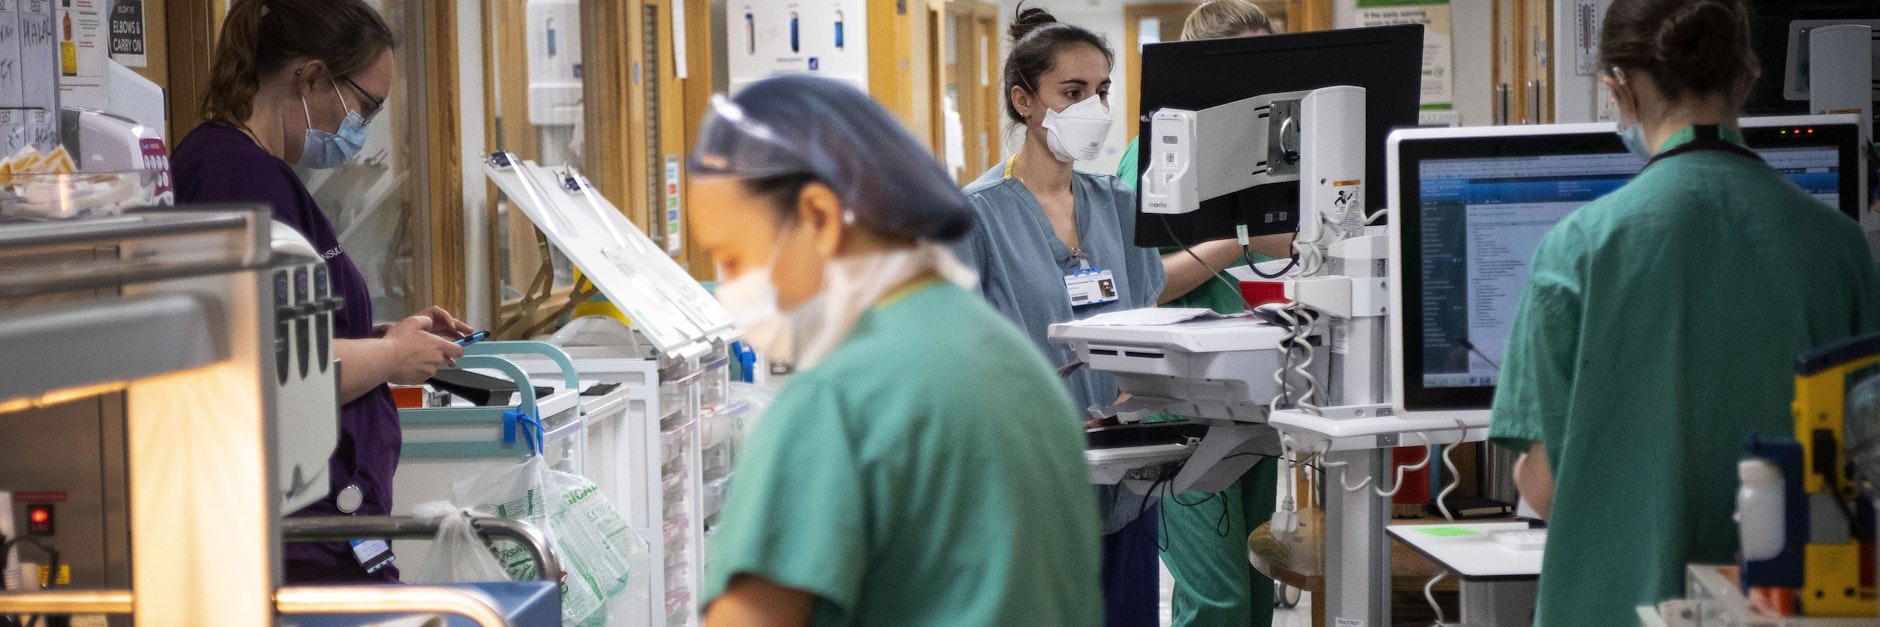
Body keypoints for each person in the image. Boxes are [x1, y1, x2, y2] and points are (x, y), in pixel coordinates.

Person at [1488, 0, 1880, 622]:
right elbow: (1867, 461)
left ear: (1618, 90)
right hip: (1794, 608)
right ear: (1748, 78)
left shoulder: (1579, 249)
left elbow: (1546, 486)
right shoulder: (1837, 247)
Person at [693, 75, 1102, 627]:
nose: (733, 290)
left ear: (818, 217)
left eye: (735, 257)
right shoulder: (1013, 360)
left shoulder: (837, 399)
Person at [171, 0, 472, 583]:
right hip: (299, 538)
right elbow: (266, 369)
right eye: (366, 104)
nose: (364, 126)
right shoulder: (239, 179)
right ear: (310, 77)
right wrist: (388, 357)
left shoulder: (258, 172)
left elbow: (286, 328)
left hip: (327, 528)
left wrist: (387, 340)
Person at [951, 7, 1166, 626]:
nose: (1093, 109)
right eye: (1072, 93)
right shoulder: (976, 216)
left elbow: (1144, 323)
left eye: (1101, 91)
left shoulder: (1121, 206)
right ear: (1025, 101)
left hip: (1124, 482)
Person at [1114, 3, 1286, 624]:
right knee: (1218, 598)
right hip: (1178, 401)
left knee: (1257, 579)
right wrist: (1240, 241)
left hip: (1242, 388)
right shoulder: (1153, 156)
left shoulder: (1254, 154)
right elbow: (1142, 287)